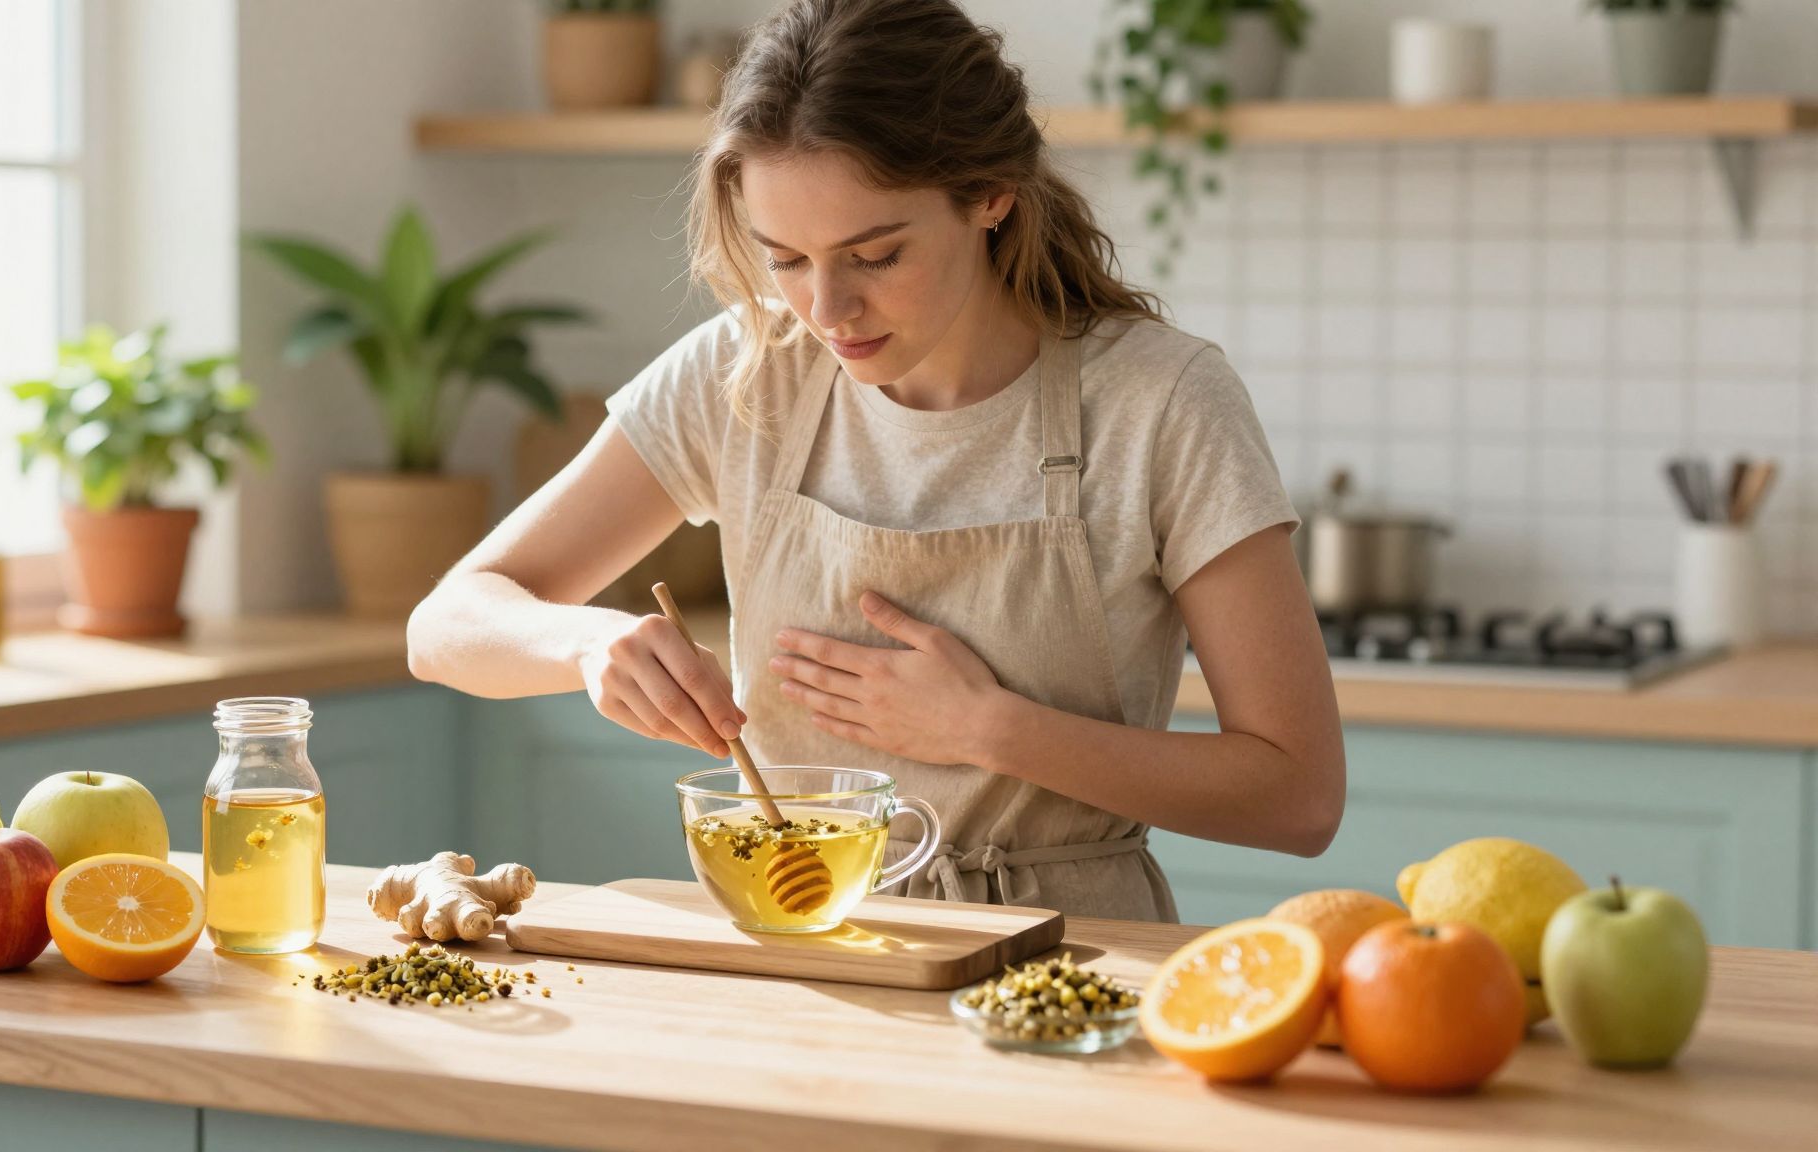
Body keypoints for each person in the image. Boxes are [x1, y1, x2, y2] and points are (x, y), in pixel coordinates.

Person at [407, 0, 1344, 921]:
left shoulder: (1162, 400)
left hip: (1074, 969)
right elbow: (444, 625)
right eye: (785, 259)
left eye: (877, 255)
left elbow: (1299, 797)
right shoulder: (747, 375)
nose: (827, 310)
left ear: (989, 193)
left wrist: (992, 730)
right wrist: (587, 646)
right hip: (798, 960)